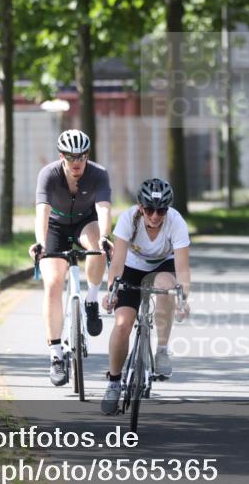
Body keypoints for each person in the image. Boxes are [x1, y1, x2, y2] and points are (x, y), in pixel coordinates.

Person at [101, 178, 191, 415]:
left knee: (165, 285)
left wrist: (183, 299)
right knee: (122, 325)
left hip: (162, 265)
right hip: (131, 267)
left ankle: (161, 349)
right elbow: (117, 262)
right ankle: (113, 382)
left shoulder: (175, 222)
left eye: (160, 210)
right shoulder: (128, 219)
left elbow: (182, 269)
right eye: (149, 209)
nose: (154, 215)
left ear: (167, 209)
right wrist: (110, 291)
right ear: (141, 207)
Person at [30, 129, 113, 386]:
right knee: (53, 283)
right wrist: (41, 243)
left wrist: (105, 237)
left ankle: (90, 301)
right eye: (70, 156)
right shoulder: (49, 174)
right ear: (61, 155)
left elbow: (103, 208)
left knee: (97, 248)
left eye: (81, 156)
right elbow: (42, 212)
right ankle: (56, 355)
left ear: (88, 155)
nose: (76, 162)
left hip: (84, 223)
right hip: (55, 227)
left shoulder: (98, 174)